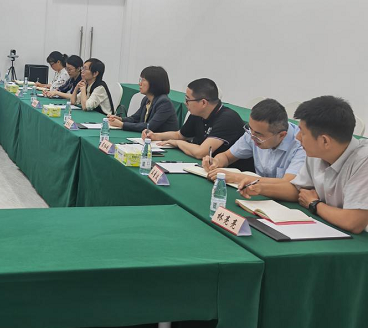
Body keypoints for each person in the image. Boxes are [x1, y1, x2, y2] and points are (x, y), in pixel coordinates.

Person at [238, 96, 368, 234]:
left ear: (325, 141)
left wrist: (314, 204)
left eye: (303, 133)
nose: (297, 137)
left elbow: (353, 222)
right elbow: (297, 189)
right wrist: (260, 187)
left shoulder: (363, 161)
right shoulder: (317, 153)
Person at [144, 78, 251, 168]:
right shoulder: (198, 113)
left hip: (231, 173)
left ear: (203, 103)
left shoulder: (227, 119)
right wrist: (156, 136)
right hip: (207, 167)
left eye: (188, 100)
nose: (185, 103)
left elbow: (201, 152)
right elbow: (179, 135)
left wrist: (177, 143)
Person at [203, 98, 306, 185]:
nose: (252, 137)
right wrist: (216, 162)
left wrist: (237, 177)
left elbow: (287, 183)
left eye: (258, 135)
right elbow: (227, 156)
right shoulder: (254, 132)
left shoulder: (301, 144)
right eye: (250, 129)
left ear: (281, 135)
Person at [107, 66, 178, 133]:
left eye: (143, 80)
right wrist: (120, 119)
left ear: (154, 83)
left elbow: (149, 127)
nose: (139, 83)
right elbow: (135, 118)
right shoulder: (146, 99)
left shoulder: (164, 103)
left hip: (163, 140)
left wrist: (122, 124)